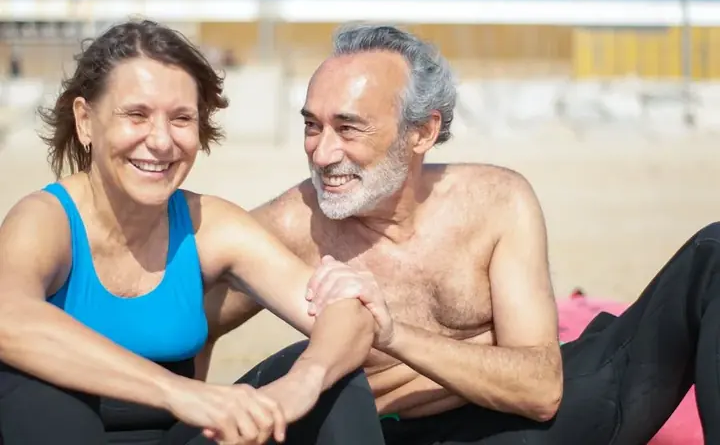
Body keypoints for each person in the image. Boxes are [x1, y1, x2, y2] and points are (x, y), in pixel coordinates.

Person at [199, 23, 720, 444]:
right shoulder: (291, 224)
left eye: (348, 127)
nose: (321, 150)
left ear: (422, 132)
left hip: (526, 419)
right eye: (312, 125)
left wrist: (393, 335)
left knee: (712, 253)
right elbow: (186, 321)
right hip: (392, 434)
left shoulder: (495, 200)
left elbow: (541, 388)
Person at [0, 19, 387, 445]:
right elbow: (9, 318)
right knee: (42, 395)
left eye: (181, 118)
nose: (162, 141)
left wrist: (305, 382)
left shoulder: (206, 224)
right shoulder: (46, 218)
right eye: (137, 115)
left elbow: (345, 313)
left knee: (336, 382)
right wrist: (179, 392)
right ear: (85, 120)